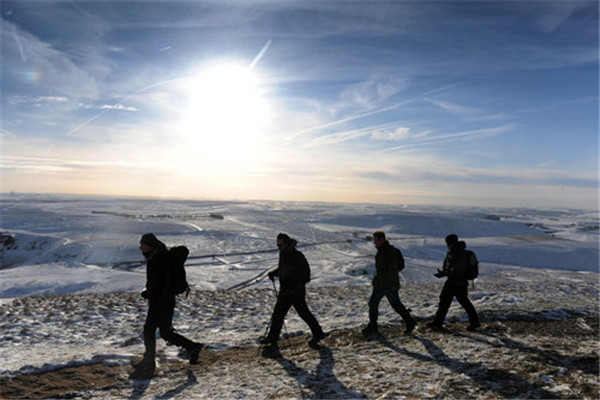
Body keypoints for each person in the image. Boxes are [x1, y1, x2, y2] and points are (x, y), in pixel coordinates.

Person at [136, 233, 202, 371]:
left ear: (150, 245)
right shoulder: (156, 255)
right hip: (162, 300)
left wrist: (153, 295)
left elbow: (163, 282)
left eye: (143, 244)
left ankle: (149, 361)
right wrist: (150, 293)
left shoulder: (159, 258)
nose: (140, 247)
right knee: (165, 333)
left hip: (161, 302)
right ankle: (192, 347)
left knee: (150, 331)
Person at [260, 233, 327, 348]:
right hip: (285, 291)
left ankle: (318, 333)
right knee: (278, 315)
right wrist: (275, 273)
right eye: (277, 245)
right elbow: (284, 269)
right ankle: (272, 338)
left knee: (303, 314)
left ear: (287, 243)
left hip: (296, 292)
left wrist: (295, 284)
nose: (279, 247)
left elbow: (306, 275)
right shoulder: (284, 254)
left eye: (280, 244)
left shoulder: (297, 256)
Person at [362, 231, 416, 336]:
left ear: (382, 239)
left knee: (375, 303)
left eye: (376, 240)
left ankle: (373, 326)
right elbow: (400, 266)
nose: (374, 243)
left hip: (385, 284)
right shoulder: (388, 250)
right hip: (387, 283)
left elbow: (391, 268)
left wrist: (384, 280)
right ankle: (410, 322)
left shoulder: (387, 252)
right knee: (393, 304)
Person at [427, 233, 481, 332]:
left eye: (448, 243)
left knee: (446, 301)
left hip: (456, 282)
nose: (447, 245)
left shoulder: (458, 253)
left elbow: (457, 270)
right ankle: (474, 323)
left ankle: (437, 323)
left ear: (451, 243)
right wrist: (444, 273)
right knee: (459, 302)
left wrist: (444, 274)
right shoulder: (454, 252)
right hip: (458, 282)